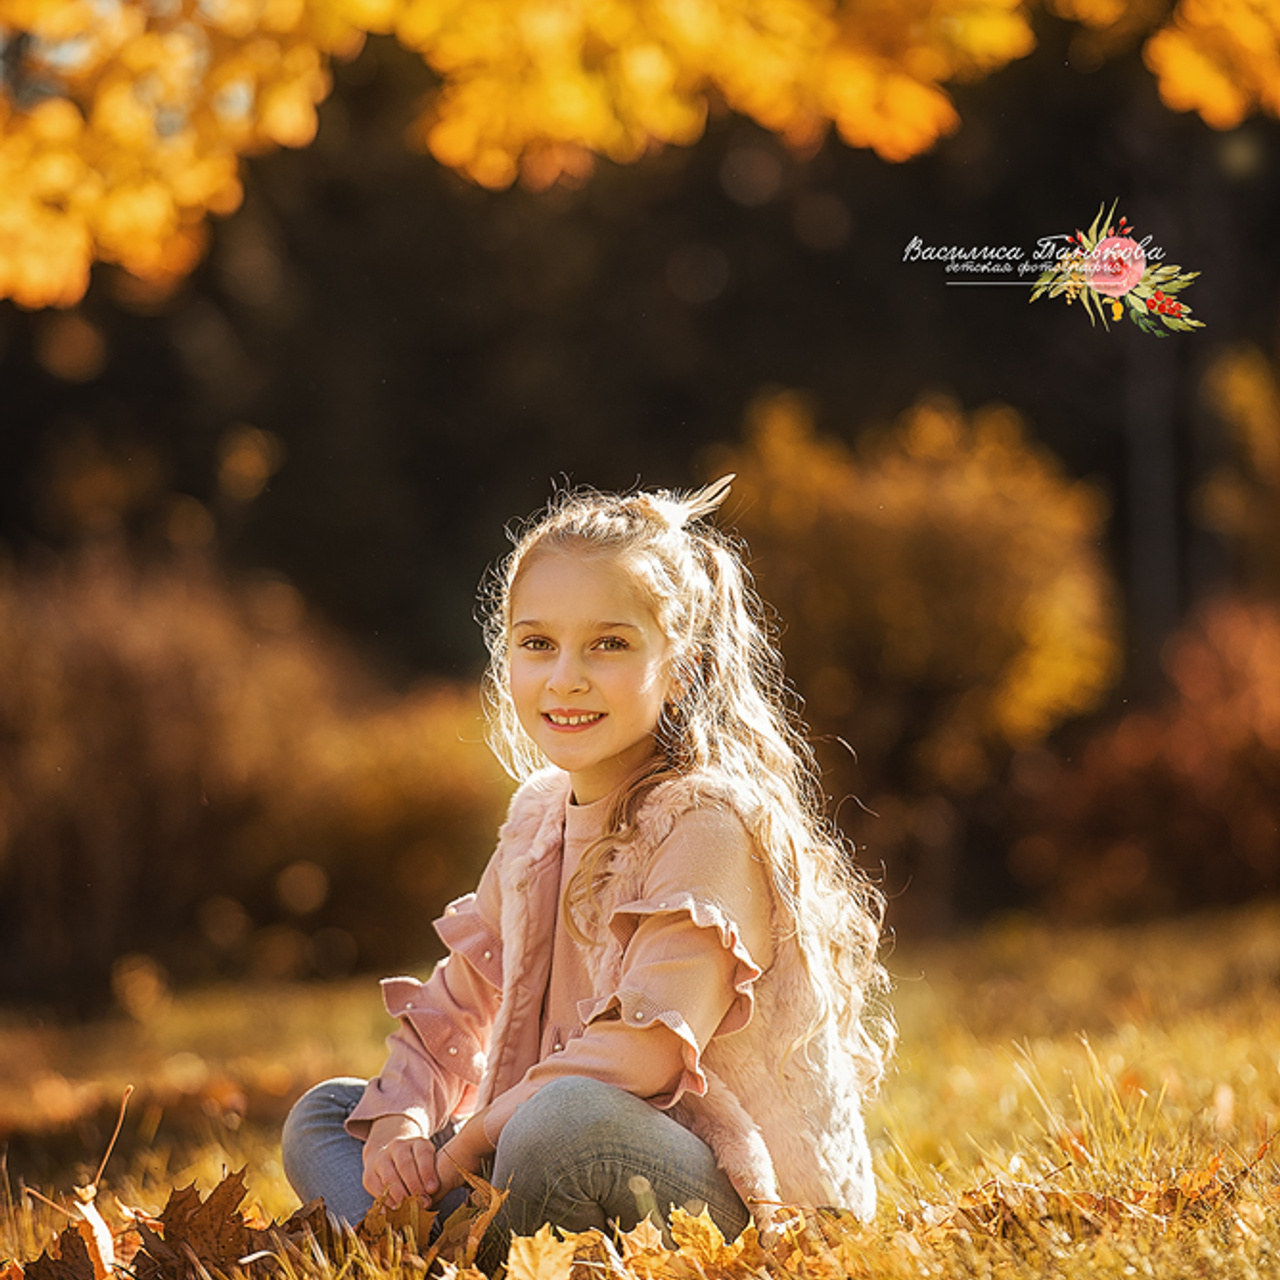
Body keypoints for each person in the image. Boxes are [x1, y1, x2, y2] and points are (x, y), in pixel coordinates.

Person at [281, 476, 894, 1260]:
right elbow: (457, 1008)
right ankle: (453, 1248)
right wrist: (403, 1122)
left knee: (566, 1122)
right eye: (538, 643)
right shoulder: (537, 819)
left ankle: (437, 1251)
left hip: (736, 1197)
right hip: (533, 1153)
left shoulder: (709, 822)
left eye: (609, 644)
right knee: (329, 1115)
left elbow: (642, 1052)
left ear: (679, 669)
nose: (565, 676)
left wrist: (468, 1143)